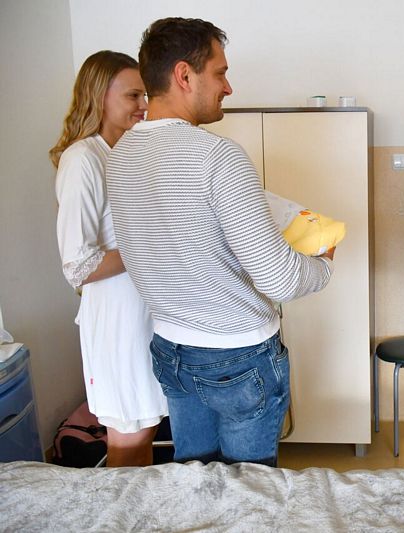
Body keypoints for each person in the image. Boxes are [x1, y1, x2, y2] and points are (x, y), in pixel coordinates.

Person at [106, 18, 334, 466]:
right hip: (237, 355)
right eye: (220, 73)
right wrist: (323, 263)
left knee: (195, 479)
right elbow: (280, 279)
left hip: (170, 349)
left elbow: (177, 242)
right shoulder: (217, 156)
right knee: (248, 491)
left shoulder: (121, 155)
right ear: (184, 75)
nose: (227, 87)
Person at [51, 50, 168, 467]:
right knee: (128, 437)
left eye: (145, 95)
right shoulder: (83, 160)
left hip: (145, 315)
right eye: (133, 95)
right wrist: (149, 246)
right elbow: (78, 266)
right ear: (99, 96)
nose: (144, 105)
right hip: (117, 322)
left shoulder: (126, 155)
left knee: (146, 429)